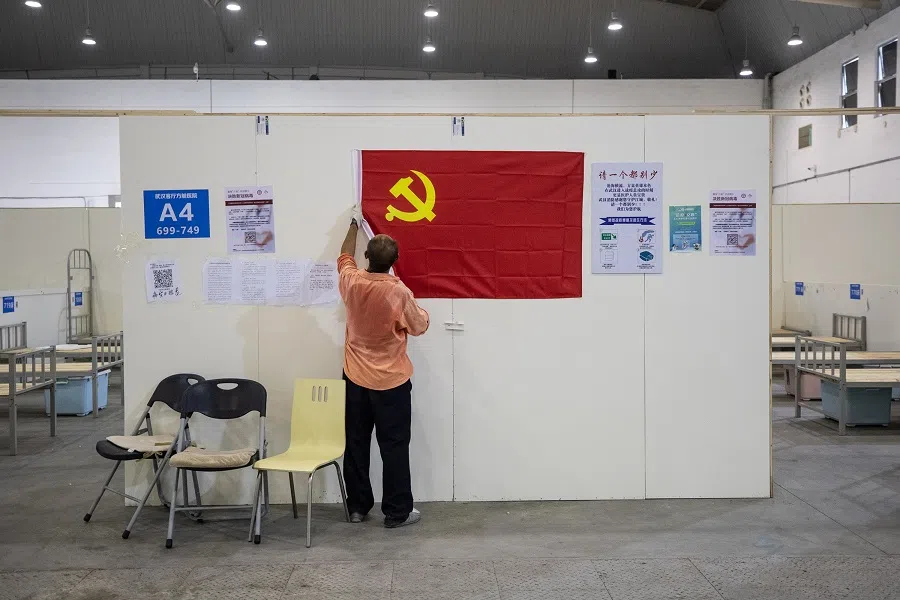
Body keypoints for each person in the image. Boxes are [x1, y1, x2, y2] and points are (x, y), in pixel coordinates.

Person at [337, 206, 430, 528]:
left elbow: (343, 257)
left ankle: (357, 508)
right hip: (391, 381)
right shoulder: (398, 291)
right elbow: (419, 326)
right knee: (393, 447)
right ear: (395, 260)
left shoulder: (351, 282)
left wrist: (352, 224)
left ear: (367, 256)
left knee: (357, 443)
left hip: (355, 378)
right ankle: (396, 512)